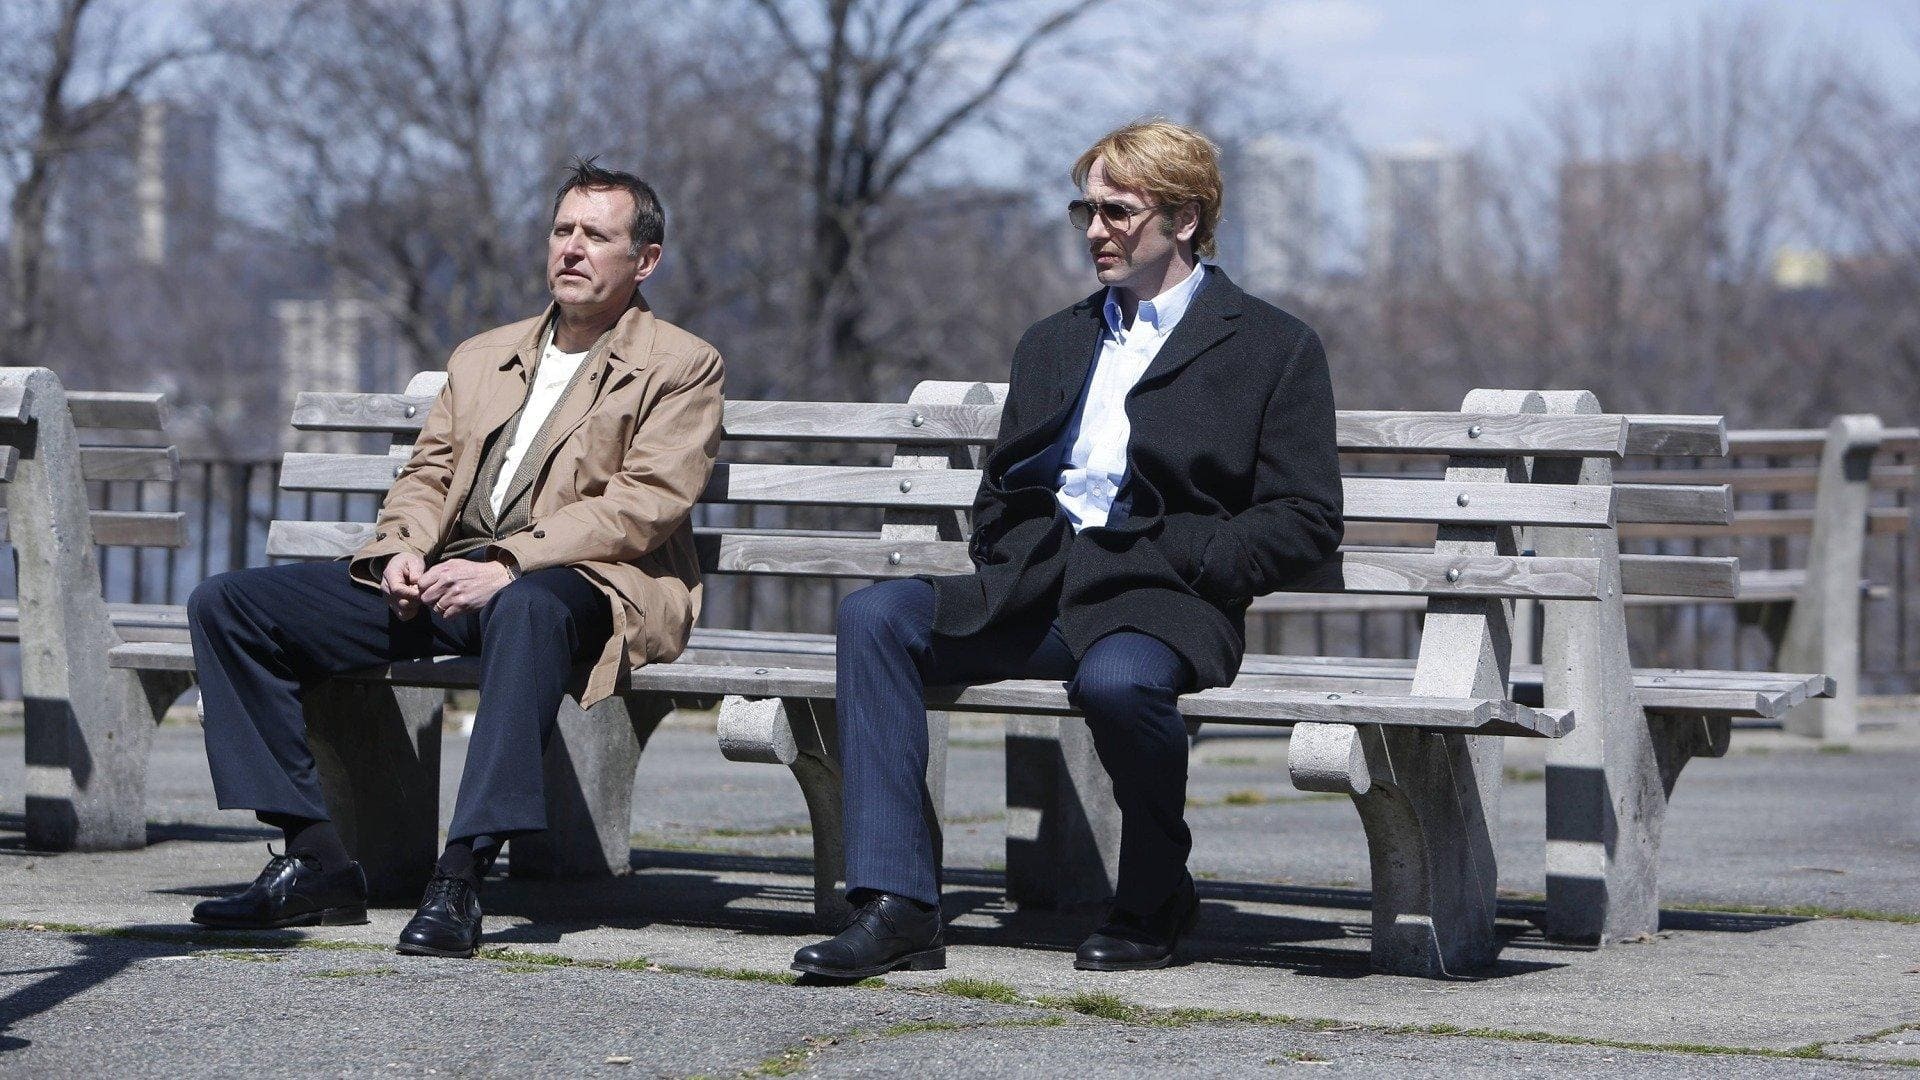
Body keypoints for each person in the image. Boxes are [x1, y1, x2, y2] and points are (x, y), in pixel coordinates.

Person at [792, 120, 1343, 978]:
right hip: (1035, 590)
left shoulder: (1272, 346)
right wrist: (1007, 545)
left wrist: (1190, 556)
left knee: (1117, 683)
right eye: (1087, 210)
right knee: (876, 617)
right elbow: (1004, 486)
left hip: (1163, 599)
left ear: (1186, 219)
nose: (1095, 231)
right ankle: (897, 906)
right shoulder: (1055, 340)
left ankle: (1155, 893)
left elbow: (1305, 518)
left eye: (1119, 212)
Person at [186, 159, 725, 958]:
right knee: (229, 605)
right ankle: (314, 859)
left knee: (528, 608)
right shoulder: (483, 356)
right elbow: (428, 475)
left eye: (595, 235)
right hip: (453, 579)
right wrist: (401, 551)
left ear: (644, 260)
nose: (571, 248)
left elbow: (641, 505)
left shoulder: (682, 364)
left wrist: (508, 565)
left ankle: (461, 876)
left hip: (589, 584)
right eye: (562, 230)